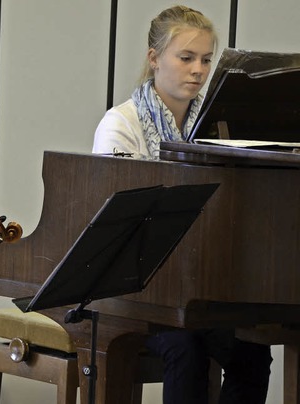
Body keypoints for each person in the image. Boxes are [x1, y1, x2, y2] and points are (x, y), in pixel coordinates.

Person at [92, 5, 272, 404]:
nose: (199, 70)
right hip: (134, 290)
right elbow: (117, 225)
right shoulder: (121, 124)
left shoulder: (215, 126)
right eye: (186, 57)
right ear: (154, 59)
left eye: (207, 60)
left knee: (252, 353)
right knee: (185, 349)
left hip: (193, 286)